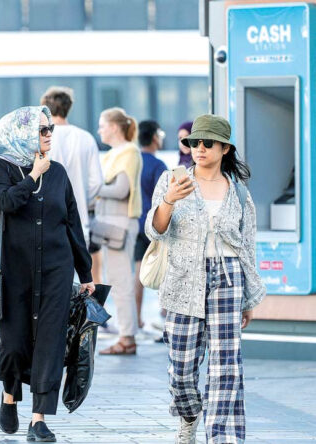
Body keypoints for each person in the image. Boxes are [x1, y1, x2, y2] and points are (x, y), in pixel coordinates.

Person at [147, 114, 265, 444]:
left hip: (229, 279)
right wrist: (170, 200)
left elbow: (247, 245)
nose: (199, 148)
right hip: (184, 278)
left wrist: (248, 298)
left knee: (226, 366)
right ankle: (189, 413)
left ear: (225, 148)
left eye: (207, 143)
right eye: (194, 142)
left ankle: (223, 437)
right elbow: (154, 230)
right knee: (181, 368)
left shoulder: (238, 191)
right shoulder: (173, 180)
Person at [0, 106, 94, 442]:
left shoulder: (58, 172)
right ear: (22, 133)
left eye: (50, 129)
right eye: (42, 130)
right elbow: (3, 202)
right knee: (14, 343)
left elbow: (72, 223)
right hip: (13, 270)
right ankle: (9, 394)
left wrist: (85, 272)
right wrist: (32, 177)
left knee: (51, 341)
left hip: (57, 269)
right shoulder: (1, 167)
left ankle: (39, 418)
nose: (48, 135)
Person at [95, 107, 142, 355]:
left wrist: (93, 189)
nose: (99, 130)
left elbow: (121, 190)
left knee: (121, 282)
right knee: (115, 280)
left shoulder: (129, 152)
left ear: (114, 127)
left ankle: (127, 338)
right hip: (110, 223)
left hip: (120, 223)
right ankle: (126, 334)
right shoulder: (113, 154)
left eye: (102, 125)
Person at [40, 86, 103, 242]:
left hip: (47, 222)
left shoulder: (42, 137)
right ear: (68, 107)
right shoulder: (86, 138)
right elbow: (97, 182)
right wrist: (81, 200)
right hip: (80, 222)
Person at [133, 121, 168, 328]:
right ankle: (165, 312)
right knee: (164, 266)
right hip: (155, 224)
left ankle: (136, 318)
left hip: (136, 222)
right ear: (155, 137)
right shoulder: (158, 165)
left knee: (139, 271)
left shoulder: (134, 162)